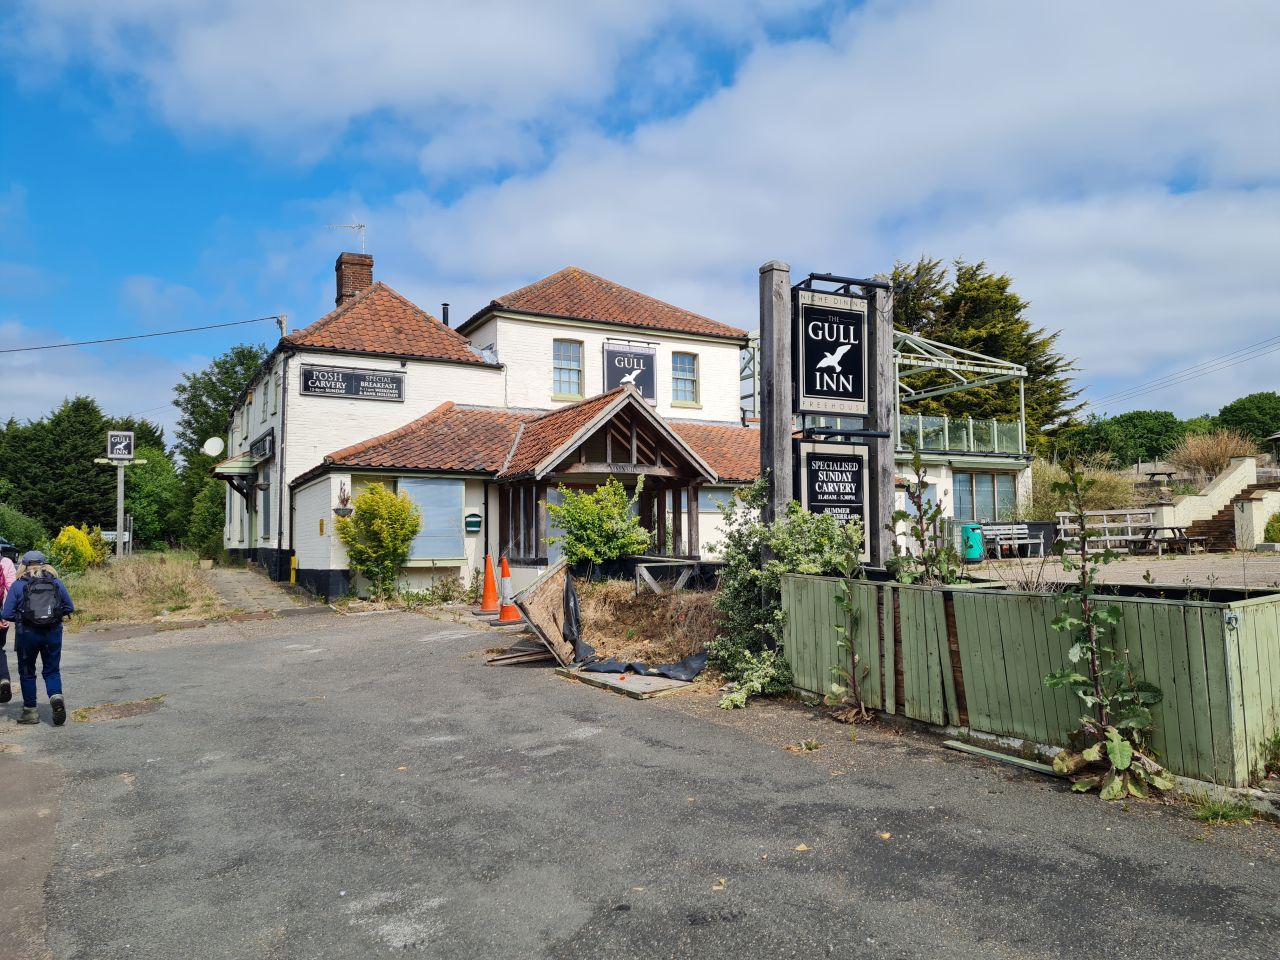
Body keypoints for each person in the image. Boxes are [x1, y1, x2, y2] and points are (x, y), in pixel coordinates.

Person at [0, 550, 75, 725]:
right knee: (52, 670)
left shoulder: (19, 585)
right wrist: (53, 616)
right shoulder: (56, 582)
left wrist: (23, 617)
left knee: (27, 672)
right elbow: (69, 607)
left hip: (27, 634)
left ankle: (30, 712)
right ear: (45, 564)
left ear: (24, 566)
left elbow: (6, 613)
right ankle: (56, 698)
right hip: (53, 632)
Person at [0, 555, 14, 704]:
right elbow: (12, 589)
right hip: (3, 614)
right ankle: (4, 678)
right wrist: (6, 616)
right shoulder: (7, 562)